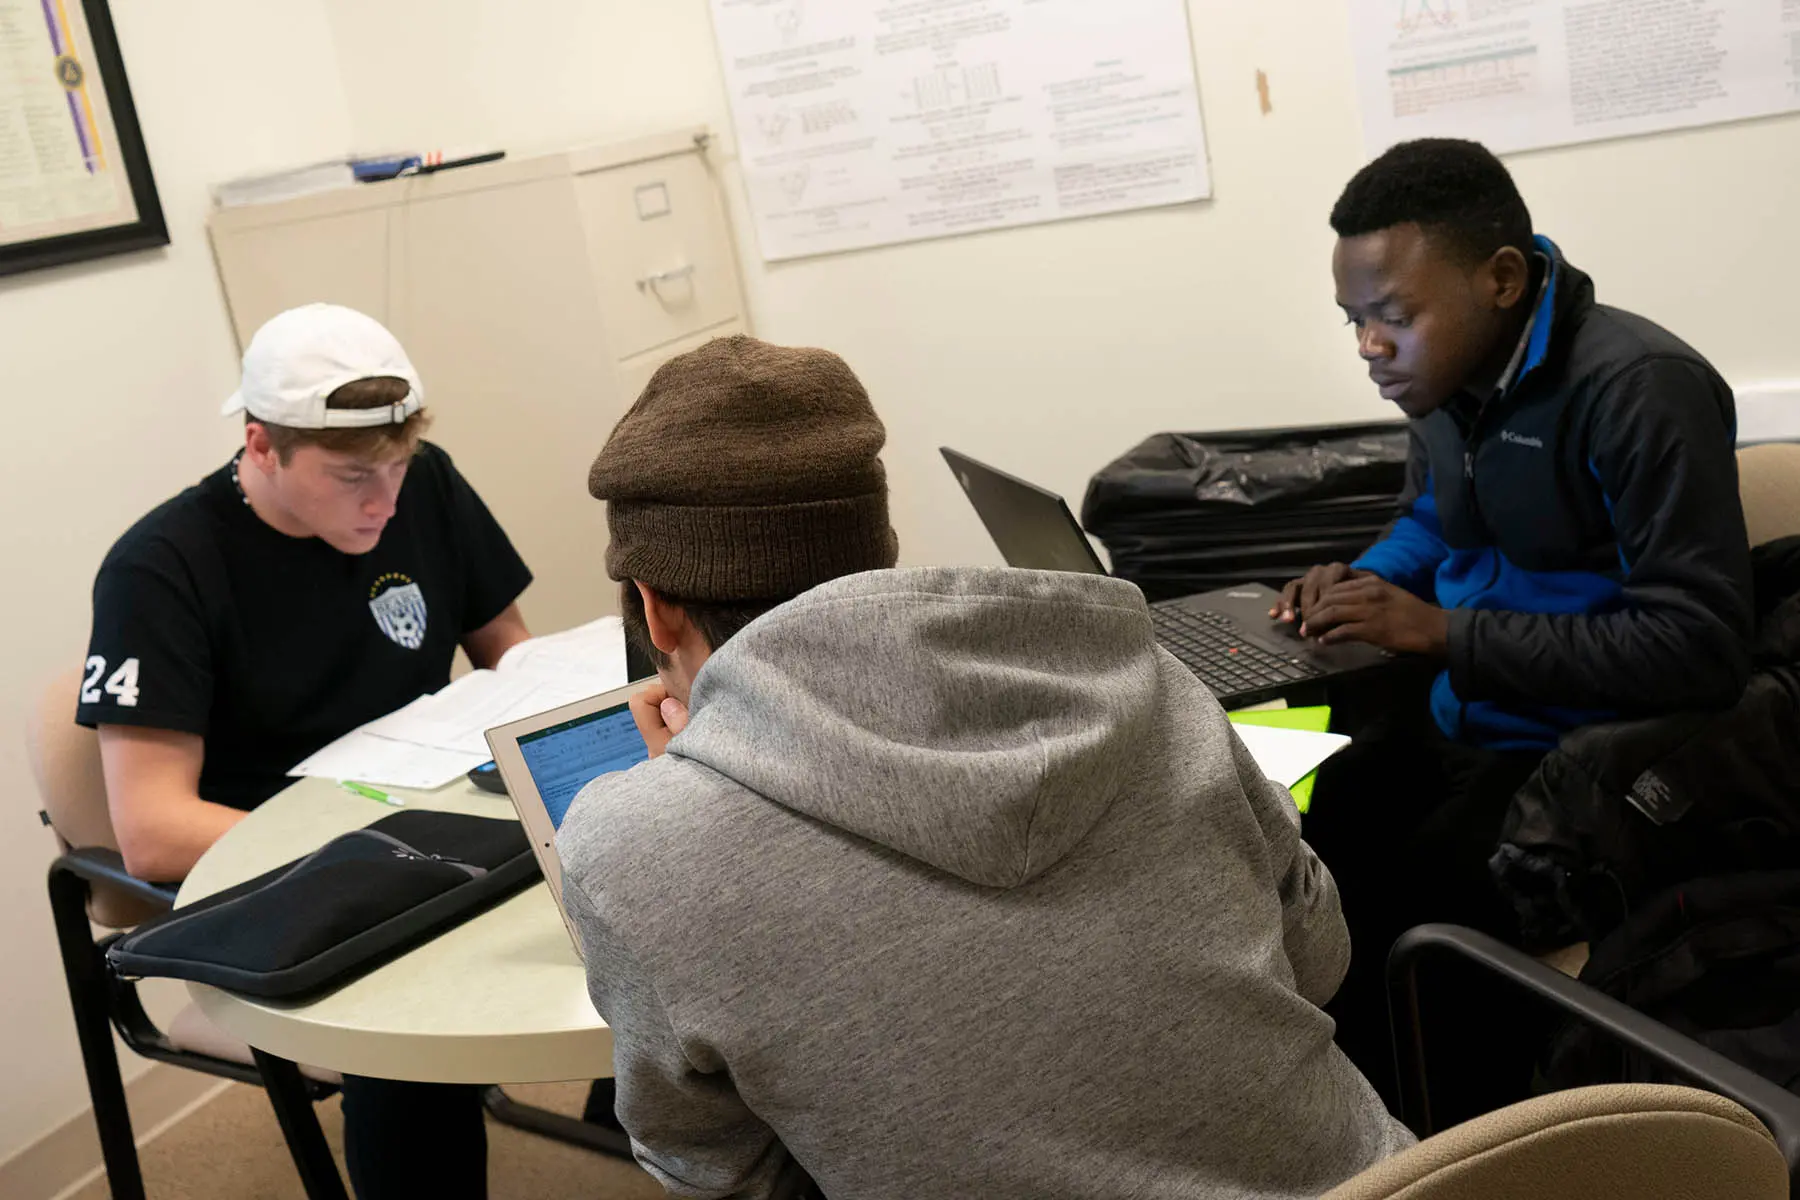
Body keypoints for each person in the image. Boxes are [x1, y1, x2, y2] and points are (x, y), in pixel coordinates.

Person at [555, 335, 1412, 1200]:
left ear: (656, 613)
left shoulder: (634, 848)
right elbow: (1317, 954)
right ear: (877, 551)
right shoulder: (1142, 677)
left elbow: (720, 1169)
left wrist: (685, 803)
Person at [1279, 138, 1753, 1108]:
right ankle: (1337, 1125)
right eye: (1354, 320)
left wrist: (1445, 634)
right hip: (1470, 714)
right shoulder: (1445, 385)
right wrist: (1360, 587)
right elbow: (1430, 519)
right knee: (1279, 823)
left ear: (1500, 279)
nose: (1369, 346)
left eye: (1393, 316)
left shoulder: (1640, 388)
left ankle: (1447, 1140)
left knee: (1404, 908)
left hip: (1592, 755)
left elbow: (1699, 645)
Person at [77, 303, 535, 1199]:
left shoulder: (423, 484)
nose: (386, 501)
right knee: (407, 998)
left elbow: (511, 655)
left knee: (632, 866)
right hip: (271, 858)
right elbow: (154, 832)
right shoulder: (160, 569)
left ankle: (629, 1119)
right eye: (353, 476)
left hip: (428, 809)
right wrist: (390, 847)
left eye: (399, 466)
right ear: (260, 444)